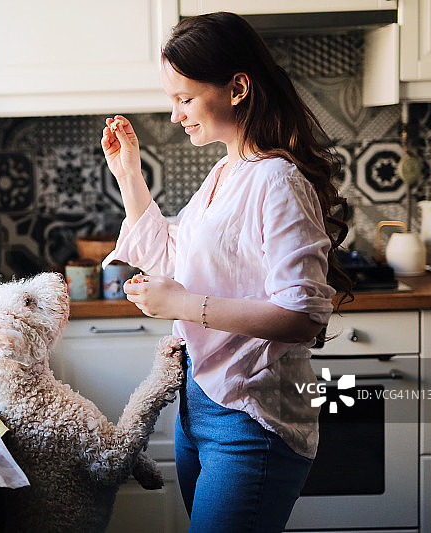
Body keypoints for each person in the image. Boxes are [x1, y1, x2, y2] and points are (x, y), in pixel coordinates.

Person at [100, 12, 352, 533]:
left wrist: (184, 305)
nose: (175, 116)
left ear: (237, 88)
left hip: (251, 419)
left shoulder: (276, 179)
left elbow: (305, 316)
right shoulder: (225, 171)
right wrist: (129, 174)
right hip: (200, 407)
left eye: (185, 99)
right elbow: (173, 257)